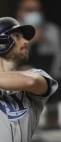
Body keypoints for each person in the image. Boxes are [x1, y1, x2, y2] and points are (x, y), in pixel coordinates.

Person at [15, 0, 61, 129]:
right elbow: (8, 58)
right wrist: (30, 41)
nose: (34, 14)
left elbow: (57, 60)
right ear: (20, 12)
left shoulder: (51, 30)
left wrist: (44, 39)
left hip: (47, 75)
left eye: (37, 10)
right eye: (29, 10)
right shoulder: (12, 30)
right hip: (18, 75)